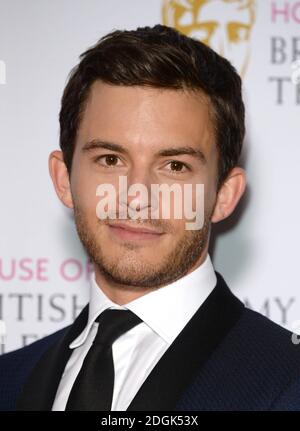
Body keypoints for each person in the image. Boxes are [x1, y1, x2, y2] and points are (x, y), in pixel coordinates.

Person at [1, 24, 300, 411]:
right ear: (64, 179)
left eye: (174, 166)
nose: (136, 196)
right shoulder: (9, 379)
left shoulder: (288, 381)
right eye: (110, 160)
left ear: (224, 195)